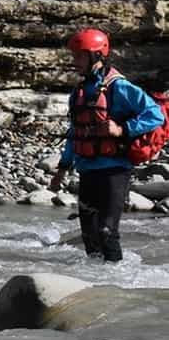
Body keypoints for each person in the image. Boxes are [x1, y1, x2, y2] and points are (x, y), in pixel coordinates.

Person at [49, 29, 163, 262]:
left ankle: (118, 276)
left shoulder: (119, 87)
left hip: (114, 170)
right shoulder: (79, 92)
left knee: (106, 231)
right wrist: (62, 169)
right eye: (74, 56)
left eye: (79, 56)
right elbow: (76, 133)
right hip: (87, 170)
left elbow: (155, 115)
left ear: (97, 55)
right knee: (89, 235)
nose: (75, 61)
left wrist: (122, 129)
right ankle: (96, 279)